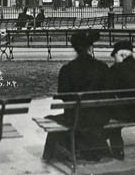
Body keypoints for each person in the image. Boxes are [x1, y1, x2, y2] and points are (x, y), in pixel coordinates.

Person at [42, 31, 111, 162]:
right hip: (99, 117)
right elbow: (108, 91)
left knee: (55, 120)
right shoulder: (102, 67)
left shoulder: (67, 69)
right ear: (91, 48)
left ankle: (52, 155)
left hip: (76, 116)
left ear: (74, 49)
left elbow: (63, 95)